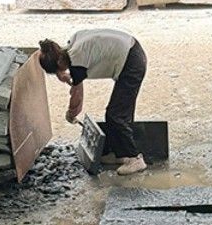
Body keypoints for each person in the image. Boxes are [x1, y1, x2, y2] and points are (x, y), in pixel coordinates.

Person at [38, 32, 147, 176]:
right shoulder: (72, 45)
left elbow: (77, 97)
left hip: (131, 62)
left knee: (116, 115)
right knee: (119, 111)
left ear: (59, 63)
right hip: (130, 50)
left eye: (58, 70)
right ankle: (119, 153)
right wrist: (63, 74)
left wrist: (71, 113)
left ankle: (134, 159)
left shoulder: (76, 59)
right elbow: (72, 72)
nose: (61, 72)